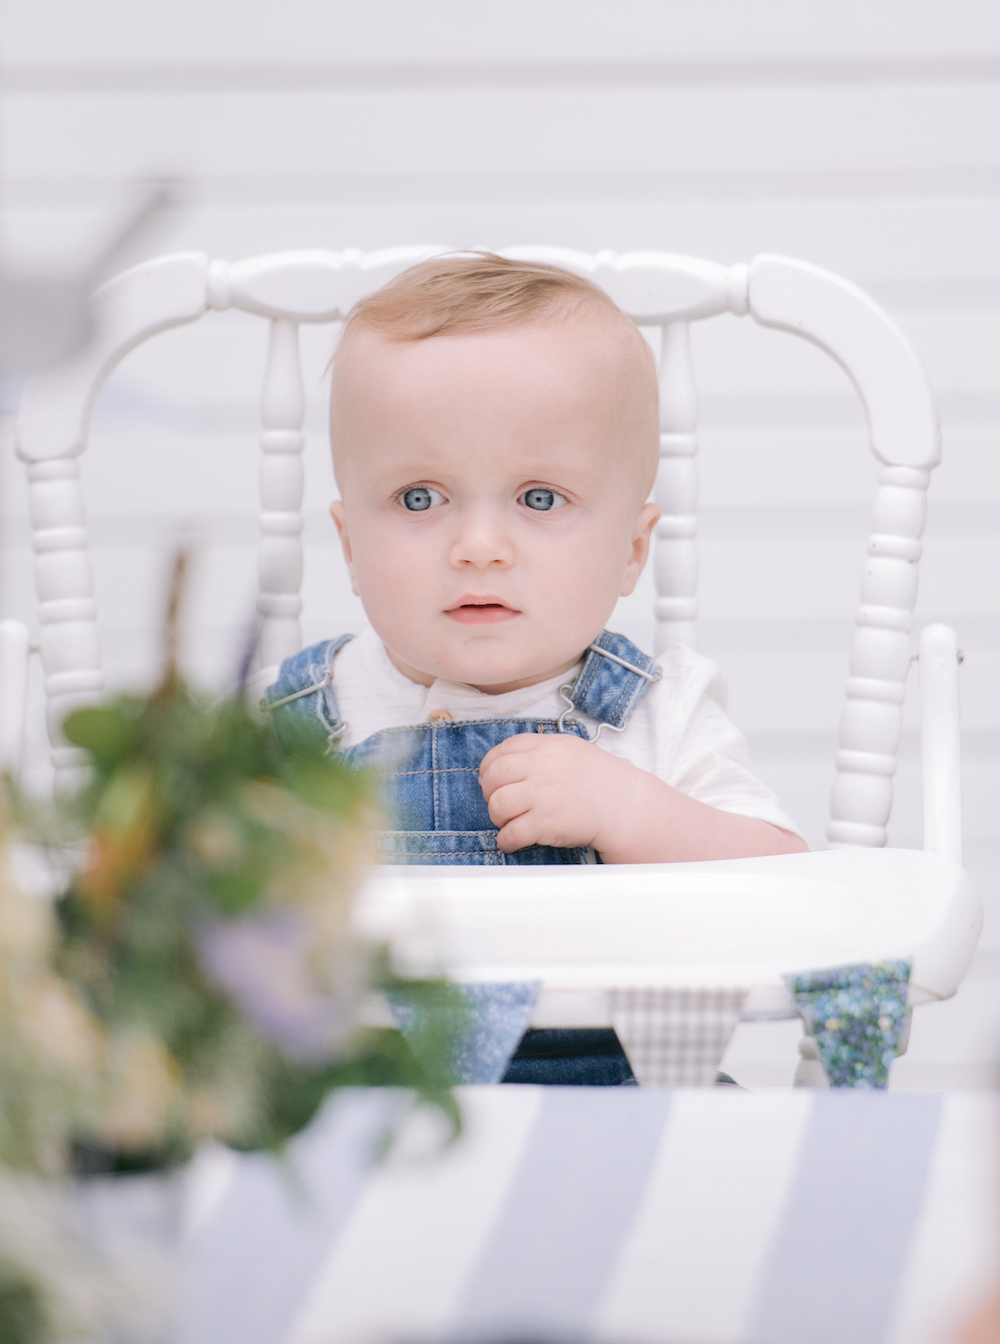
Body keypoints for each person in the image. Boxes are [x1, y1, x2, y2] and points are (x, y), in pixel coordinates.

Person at [263, 253, 805, 1085]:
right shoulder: (306, 715)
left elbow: (786, 894)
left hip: (622, 1113)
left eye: (539, 498)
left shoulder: (651, 716)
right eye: (419, 498)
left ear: (631, 550)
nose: (479, 547)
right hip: (366, 1119)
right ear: (348, 543)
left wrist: (633, 811)